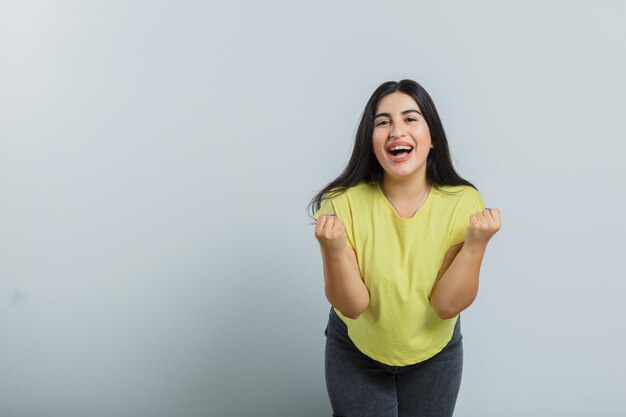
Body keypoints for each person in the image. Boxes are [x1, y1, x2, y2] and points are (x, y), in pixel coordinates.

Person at [308, 79, 501, 417]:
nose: (397, 130)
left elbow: (446, 305)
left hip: (435, 354)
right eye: (383, 122)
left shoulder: (464, 202)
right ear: (371, 141)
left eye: (410, 119)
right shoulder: (342, 204)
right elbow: (353, 306)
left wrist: (475, 246)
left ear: (432, 139)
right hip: (356, 350)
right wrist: (334, 250)